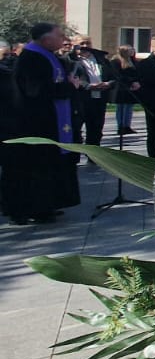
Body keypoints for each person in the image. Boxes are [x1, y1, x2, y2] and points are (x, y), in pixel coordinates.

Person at [2, 22, 82, 224]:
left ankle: (43, 206)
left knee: (45, 167)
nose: (63, 40)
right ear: (46, 39)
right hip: (31, 124)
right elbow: (35, 91)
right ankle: (21, 209)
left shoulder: (46, 55)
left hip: (46, 122)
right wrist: (68, 86)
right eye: (59, 36)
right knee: (29, 170)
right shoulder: (31, 58)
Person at [68, 37, 114, 148]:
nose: (85, 45)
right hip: (81, 99)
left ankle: (94, 156)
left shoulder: (100, 59)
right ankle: (75, 156)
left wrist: (108, 84)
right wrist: (87, 86)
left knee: (96, 129)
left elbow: (113, 75)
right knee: (77, 129)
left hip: (99, 99)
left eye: (87, 43)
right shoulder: (71, 60)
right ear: (75, 45)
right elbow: (72, 77)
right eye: (81, 43)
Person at [109, 44, 141, 134]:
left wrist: (136, 82)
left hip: (131, 88)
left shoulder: (132, 61)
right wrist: (130, 81)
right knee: (121, 107)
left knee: (129, 107)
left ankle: (127, 126)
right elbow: (118, 75)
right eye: (130, 50)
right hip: (121, 88)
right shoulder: (116, 61)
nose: (132, 52)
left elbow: (137, 73)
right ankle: (121, 126)